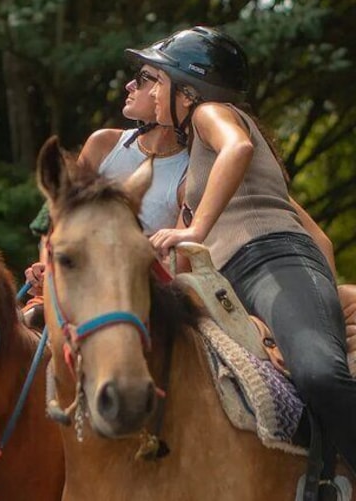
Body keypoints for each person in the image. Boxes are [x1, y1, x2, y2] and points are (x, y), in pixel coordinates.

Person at [132, 26, 356, 472]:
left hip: (276, 259)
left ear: (188, 89)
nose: (151, 92)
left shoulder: (211, 113)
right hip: (226, 288)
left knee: (319, 373)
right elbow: (173, 261)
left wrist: (318, 305)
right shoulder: (195, 183)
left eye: (157, 80)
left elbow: (238, 148)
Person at [22, 51, 188, 320]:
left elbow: (177, 265)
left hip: (137, 299)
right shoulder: (102, 144)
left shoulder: (190, 172)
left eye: (143, 79)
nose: (129, 85)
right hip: (73, 282)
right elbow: (53, 217)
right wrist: (47, 264)